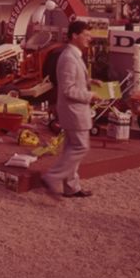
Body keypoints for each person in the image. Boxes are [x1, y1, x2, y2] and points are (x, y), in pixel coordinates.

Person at [43, 19, 94, 198]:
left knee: (71, 148)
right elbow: (68, 90)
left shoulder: (73, 56)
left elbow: (73, 81)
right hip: (75, 112)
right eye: (86, 35)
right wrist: (91, 95)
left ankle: (71, 187)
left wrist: (89, 83)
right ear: (74, 36)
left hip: (73, 111)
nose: (90, 38)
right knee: (81, 147)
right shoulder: (69, 58)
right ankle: (52, 176)